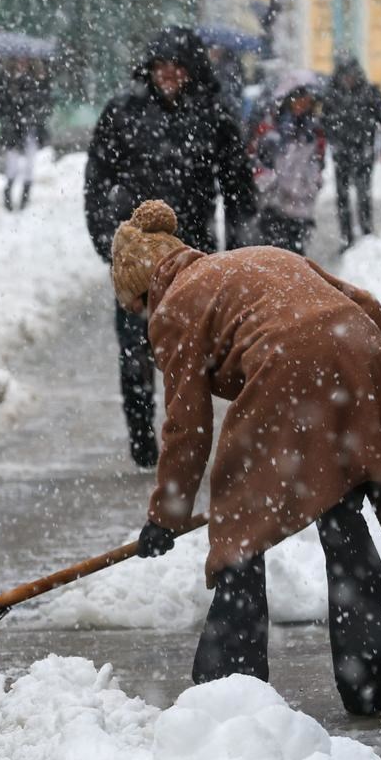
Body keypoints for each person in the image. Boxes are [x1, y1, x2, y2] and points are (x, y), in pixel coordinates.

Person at [112, 200, 381, 717]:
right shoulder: (254, 259)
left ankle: (229, 686)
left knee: (240, 524)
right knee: (340, 511)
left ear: (143, 287)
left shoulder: (174, 306)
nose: (140, 319)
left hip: (290, 367)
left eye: (134, 308)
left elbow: (187, 428)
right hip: (356, 348)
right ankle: (379, 683)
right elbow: (367, 304)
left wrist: (165, 515)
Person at [84, 26, 257, 469]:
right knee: (133, 351)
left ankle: (185, 448)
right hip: (137, 260)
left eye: (177, 68)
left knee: (191, 358)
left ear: (192, 71)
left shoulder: (214, 115)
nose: (169, 76)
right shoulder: (123, 114)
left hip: (194, 256)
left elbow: (238, 188)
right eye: (162, 67)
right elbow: (98, 180)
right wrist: (109, 241)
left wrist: (236, 250)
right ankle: (141, 440)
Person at [322, 55, 381, 251]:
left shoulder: (370, 93)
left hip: (364, 152)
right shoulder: (332, 95)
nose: (348, 79)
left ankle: (366, 232)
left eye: (351, 75)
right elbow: (324, 122)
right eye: (344, 75)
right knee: (342, 195)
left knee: (363, 194)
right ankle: (346, 237)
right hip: (341, 154)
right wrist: (332, 140)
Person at [251, 81, 328, 254]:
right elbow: (259, 165)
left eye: (307, 101)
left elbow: (318, 164)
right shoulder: (271, 130)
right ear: (288, 100)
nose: (302, 105)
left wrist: (313, 184)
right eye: (298, 100)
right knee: (271, 259)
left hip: (301, 205)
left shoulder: (315, 131)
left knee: (295, 261)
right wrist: (271, 183)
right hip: (274, 204)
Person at [0, 57, 52, 212]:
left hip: (31, 128)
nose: (22, 64)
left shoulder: (37, 80)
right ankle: (9, 194)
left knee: (30, 163)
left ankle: (24, 196)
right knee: (12, 164)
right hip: (14, 129)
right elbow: (1, 103)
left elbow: (44, 103)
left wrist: (41, 82)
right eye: (18, 61)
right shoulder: (6, 81)